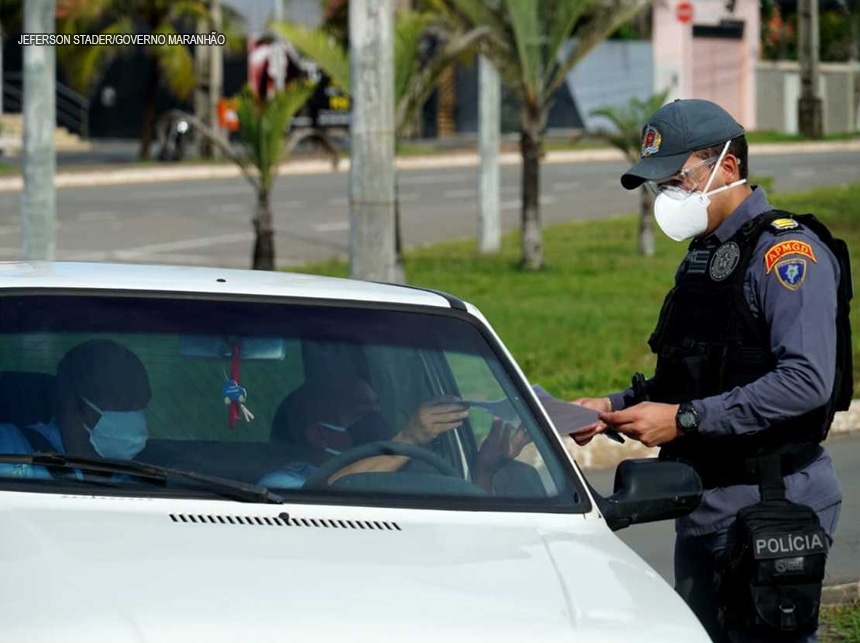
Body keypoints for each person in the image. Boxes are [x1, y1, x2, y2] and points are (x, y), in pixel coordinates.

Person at [572, 99, 850, 642]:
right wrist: (611, 409)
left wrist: (685, 420)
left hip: (771, 502)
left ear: (727, 166)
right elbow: (692, 375)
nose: (667, 196)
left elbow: (806, 380)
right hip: (704, 502)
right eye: (661, 185)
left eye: (678, 179)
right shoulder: (704, 257)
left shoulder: (787, 254)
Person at [260, 374, 528, 490]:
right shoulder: (282, 484)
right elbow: (321, 499)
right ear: (320, 435)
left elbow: (472, 533)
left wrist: (484, 469)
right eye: (361, 412)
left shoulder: (412, 472)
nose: (376, 418)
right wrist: (408, 439)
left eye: (376, 407)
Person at [0, 339, 151, 478]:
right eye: (123, 403)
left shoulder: (147, 474)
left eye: (142, 405)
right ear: (71, 404)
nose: (136, 415)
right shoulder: (11, 448)